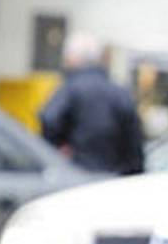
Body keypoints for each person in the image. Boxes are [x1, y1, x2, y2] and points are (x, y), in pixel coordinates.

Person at [39, 32, 144, 175]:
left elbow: (49, 118)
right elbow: (134, 146)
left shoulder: (70, 88)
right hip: (113, 179)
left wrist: (59, 149)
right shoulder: (120, 92)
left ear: (73, 58)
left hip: (76, 175)